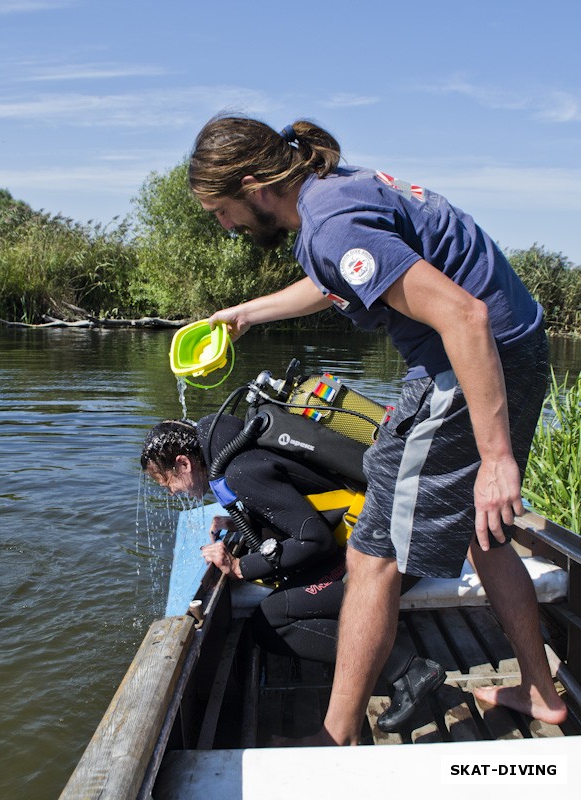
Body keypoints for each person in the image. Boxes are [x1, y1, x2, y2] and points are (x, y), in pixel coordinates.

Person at [186, 113, 568, 744]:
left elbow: (464, 317)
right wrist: (246, 314)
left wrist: (497, 459)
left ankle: (333, 741)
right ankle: (540, 691)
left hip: (471, 357)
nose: (224, 226)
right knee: (486, 527)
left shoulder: (331, 223)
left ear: (254, 187)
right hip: (511, 345)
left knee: (372, 552)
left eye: (221, 211)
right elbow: (331, 280)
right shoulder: (332, 190)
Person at [141, 416, 446, 731]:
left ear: (184, 463)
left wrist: (239, 566)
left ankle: (409, 670)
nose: (173, 493)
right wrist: (246, 521)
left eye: (168, 483)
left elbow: (315, 540)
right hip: (399, 539)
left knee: (273, 621)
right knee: (281, 605)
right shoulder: (240, 444)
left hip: (394, 558)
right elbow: (303, 501)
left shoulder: (240, 472)